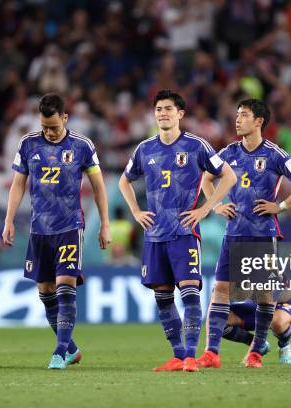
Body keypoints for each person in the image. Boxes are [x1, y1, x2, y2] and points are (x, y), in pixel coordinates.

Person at [118, 89, 237, 372]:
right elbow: (125, 181)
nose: (163, 113)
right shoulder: (145, 149)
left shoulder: (197, 146)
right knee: (162, 298)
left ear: (180, 114)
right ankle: (178, 354)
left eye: (168, 109)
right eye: (159, 109)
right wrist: (135, 211)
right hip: (154, 235)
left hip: (184, 233)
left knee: (190, 294)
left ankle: (190, 358)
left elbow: (228, 176)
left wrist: (206, 208)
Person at [197, 99, 291, 369]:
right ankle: (211, 353)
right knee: (220, 290)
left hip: (263, 234)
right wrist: (215, 204)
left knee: (264, 294)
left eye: (244, 115)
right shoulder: (228, 152)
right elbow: (206, 178)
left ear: (259, 121)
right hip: (234, 233)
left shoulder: (274, 154)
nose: (238, 120)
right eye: (237, 115)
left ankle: (256, 354)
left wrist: (281, 206)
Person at [2, 93, 111, 369]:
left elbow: (99, 187)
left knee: (65, 285)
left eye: (54, 126)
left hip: (69, 227)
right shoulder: (28, 144)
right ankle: (71, 348)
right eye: (44, 127)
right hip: (39, 229)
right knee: (46, 289)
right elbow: (18, 185)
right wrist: (9, 219)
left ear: (65, 117)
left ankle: (60, 352)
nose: (49, 133)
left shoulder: (82, 145)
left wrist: (105, 225)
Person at [222, 296, 291, 365]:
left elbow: (267, 309)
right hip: (254, 304)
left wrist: (252, 352)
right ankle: (260, 345)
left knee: (277, 323)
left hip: (282, 303)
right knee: (218, 321)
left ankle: (284, 345)